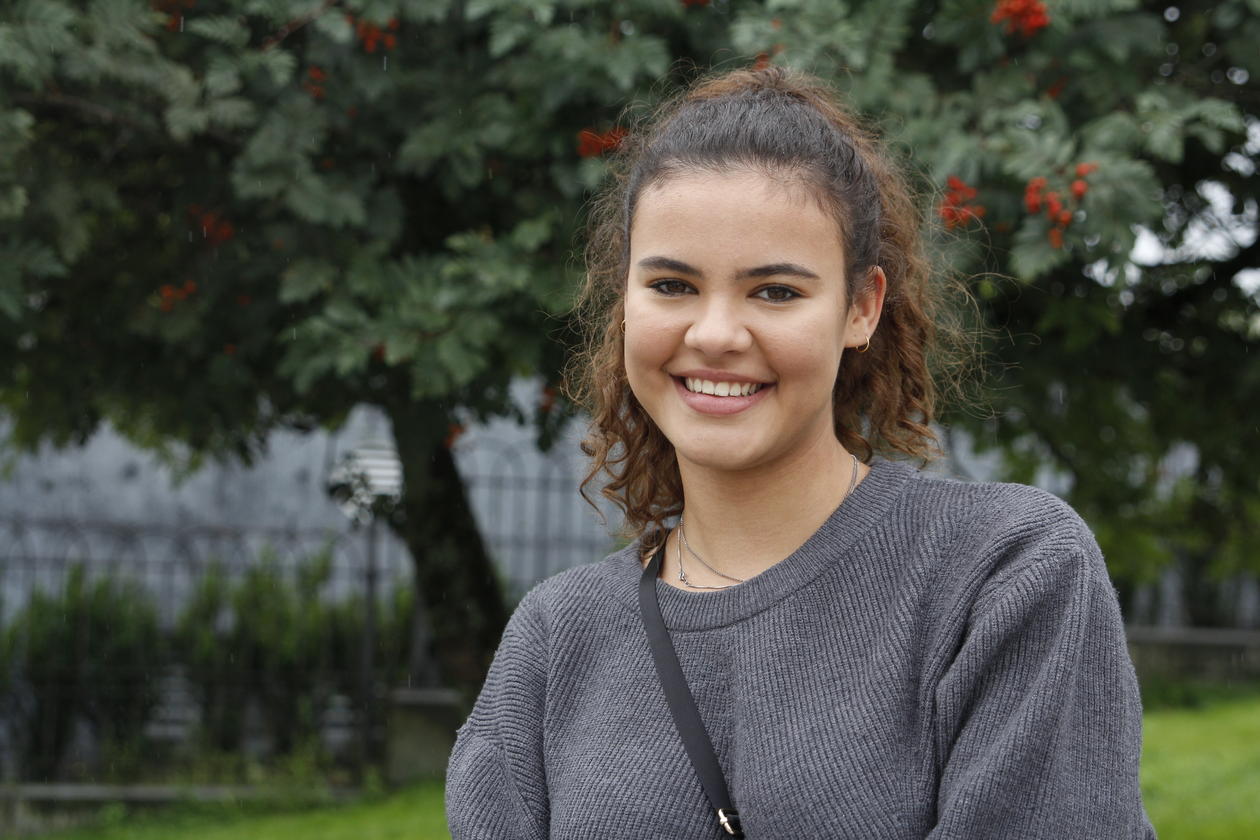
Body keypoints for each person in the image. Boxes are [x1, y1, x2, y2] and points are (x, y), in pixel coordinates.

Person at [445, 65, 1156, 839]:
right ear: (625, 302)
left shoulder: (1003, 572)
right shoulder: (556, 638)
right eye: (673, 285)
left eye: (776, 292)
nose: (715, 334)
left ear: (861, 308)